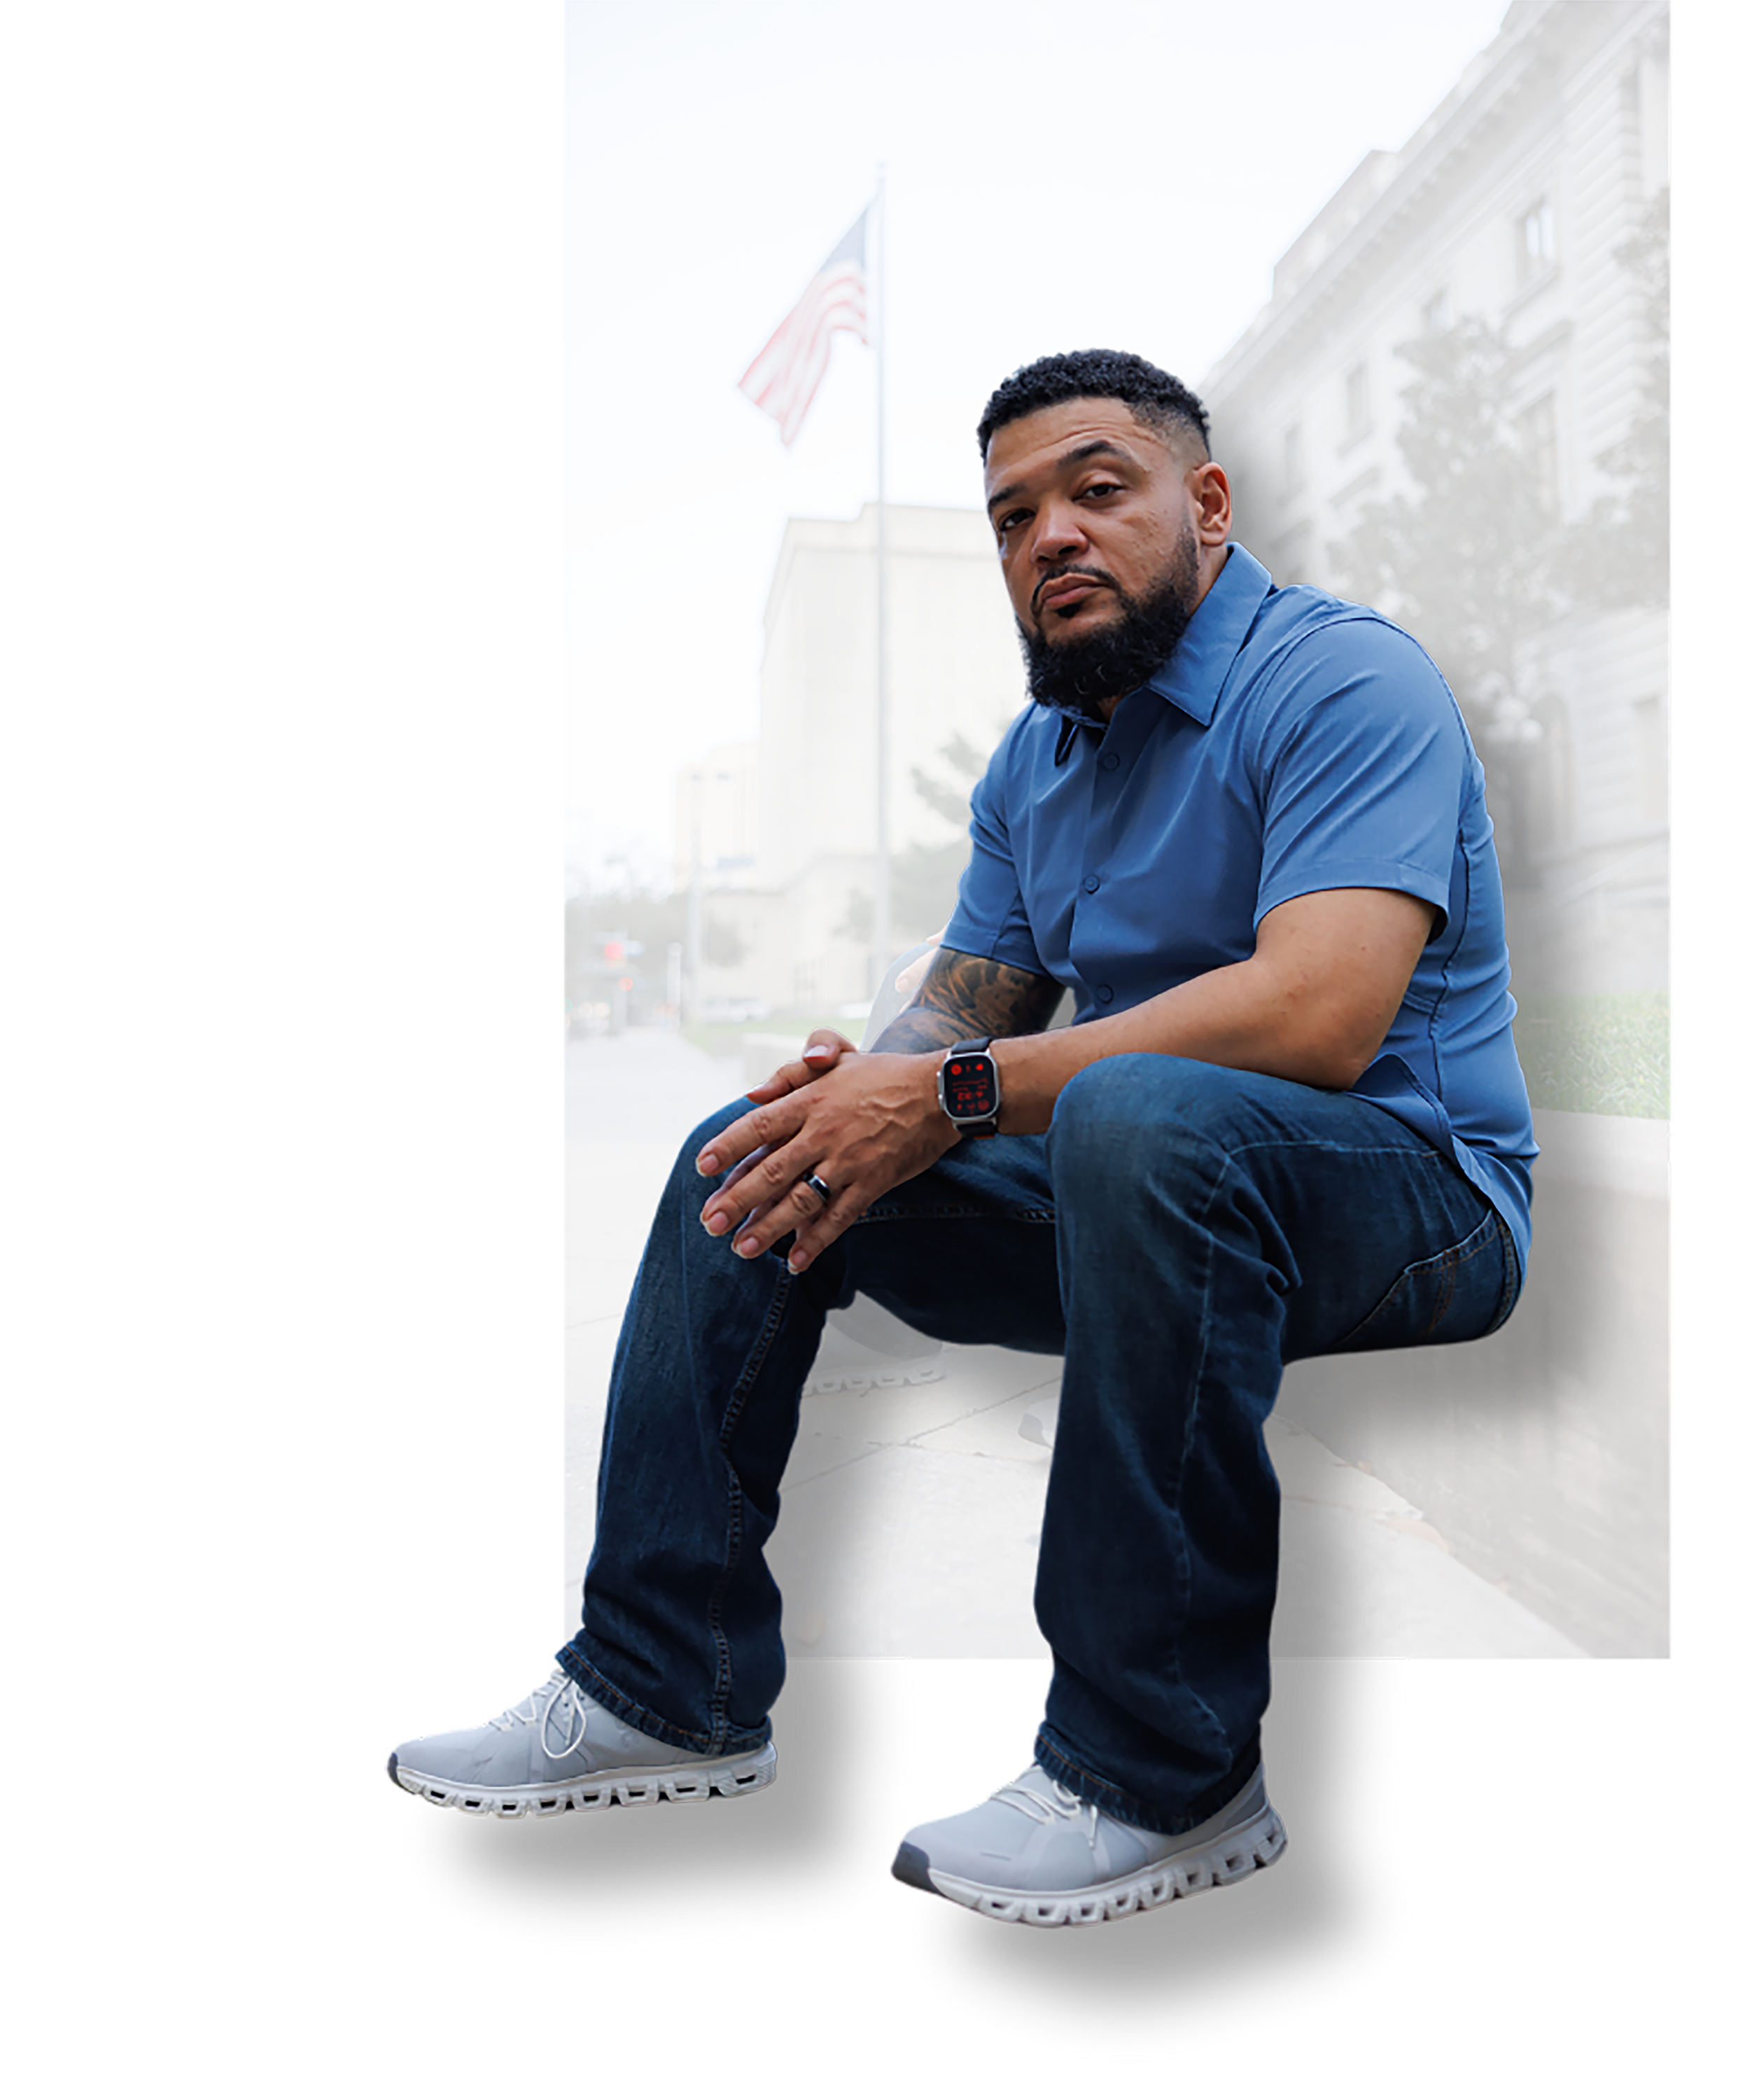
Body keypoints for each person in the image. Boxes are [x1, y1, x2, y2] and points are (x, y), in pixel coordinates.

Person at [388, 347, 1537, 1929]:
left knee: (1146, 1116)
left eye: (1097, 489)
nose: (1050, 537)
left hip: (1414, 1193)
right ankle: (660, 1683)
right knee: (747, 1158)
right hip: (1149, 1195)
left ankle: (1163, 1767)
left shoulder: (1342, 678)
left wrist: (950, 1092)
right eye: (1012, 516)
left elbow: (1321, 1013)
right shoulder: (1039, 762)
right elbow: (957, 1015)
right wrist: (861, 1084)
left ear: (1205, 505)